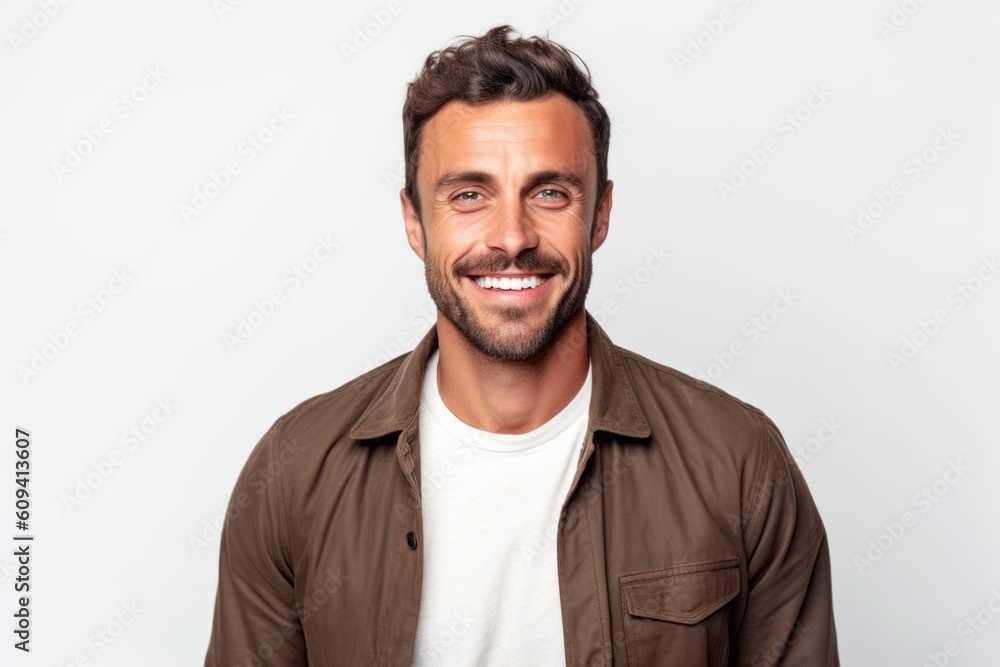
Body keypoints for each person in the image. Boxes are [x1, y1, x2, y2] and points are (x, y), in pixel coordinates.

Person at [204, 24, 839, 666]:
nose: (512, 236)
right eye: (470, 195)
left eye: (550, 192)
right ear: (413, 221)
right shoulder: (296, 470)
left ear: (600, 215)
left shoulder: (737, 464)